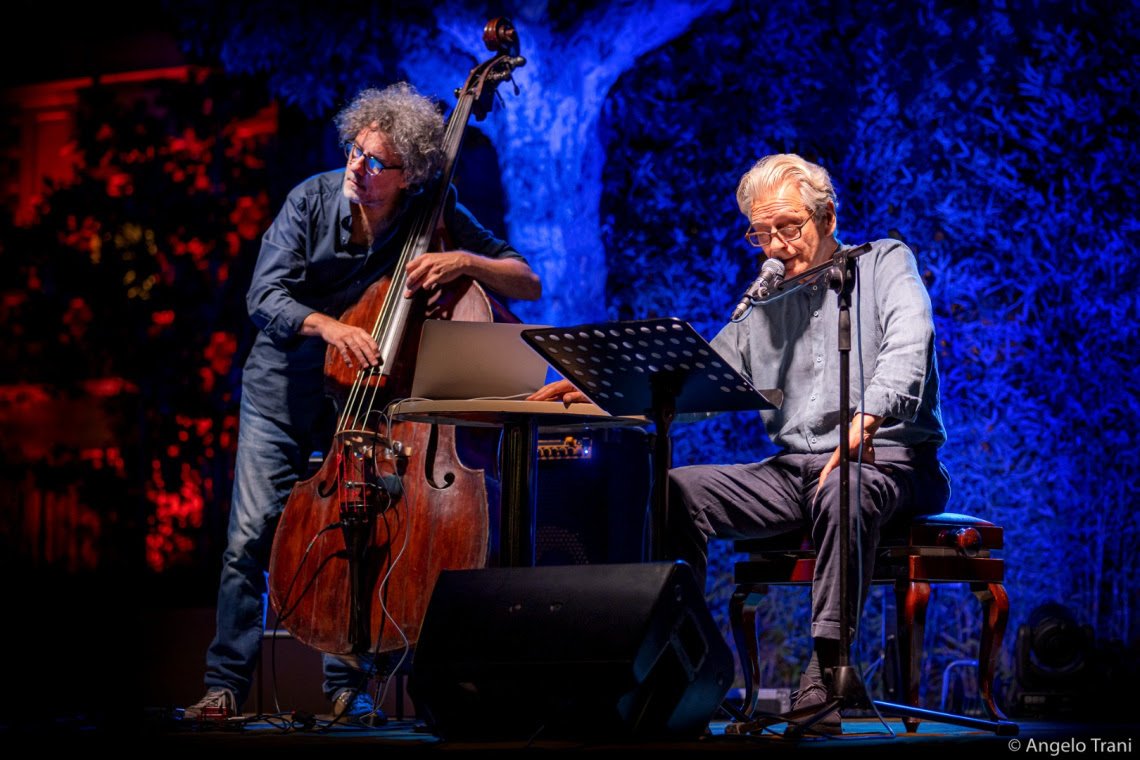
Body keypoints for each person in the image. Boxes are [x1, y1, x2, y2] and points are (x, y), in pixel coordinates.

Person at [530, 153, 948, 735]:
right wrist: (608, 388)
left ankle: (827, 674)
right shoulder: (764, 300)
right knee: (679, 491)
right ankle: (683, 666)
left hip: (890, 461)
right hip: (795, 469)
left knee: (845, 487)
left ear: (826, 217)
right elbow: (702, 375)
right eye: (761, 232)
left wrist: (868, 415)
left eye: (789, 227)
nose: (774, 244)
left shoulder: (883, 262)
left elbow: (912, 337)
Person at [184, 83, 541, 723]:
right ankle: (224, 685)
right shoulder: (310, 203)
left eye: (377, 162)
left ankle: (348, 689)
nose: (358, 167)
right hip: (283, 390)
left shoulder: (434, 207)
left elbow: (526, 279)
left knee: (359, 527)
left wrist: (462, 260)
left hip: (364, 396)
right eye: (355, 151)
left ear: (412, 174)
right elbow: (263, 299)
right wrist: (332, 327)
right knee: (249, 538)